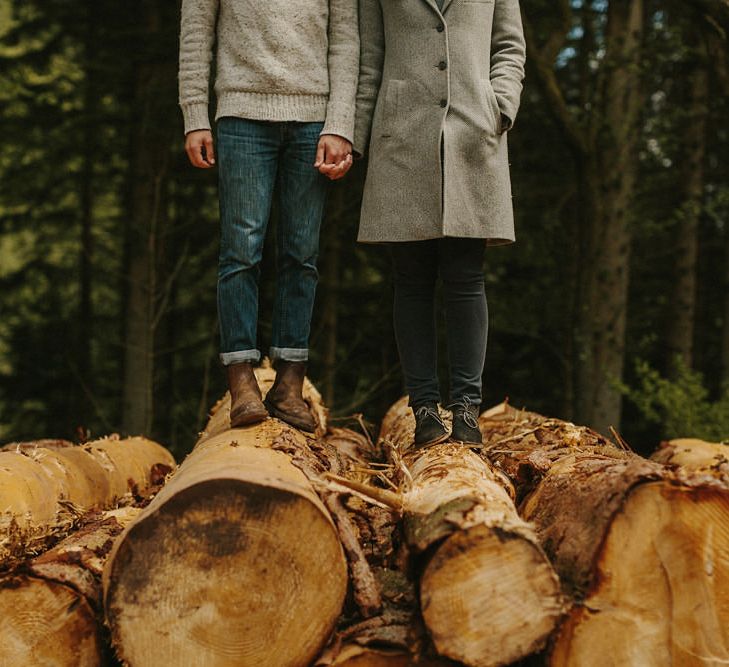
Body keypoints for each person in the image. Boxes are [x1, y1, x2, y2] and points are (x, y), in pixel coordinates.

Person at [179, 0, 359, 431]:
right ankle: (241, 382)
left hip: (314, 120)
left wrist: (340, 123)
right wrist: (194, 115)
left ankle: (289, 385)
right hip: (241, 116)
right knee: (241, 250)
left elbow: (347, 43)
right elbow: (195, 33)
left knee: (301, 253)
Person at [354, 0, 526, 447]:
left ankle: (467, 410)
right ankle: (425, 410)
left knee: (466, 276)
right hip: (401, 134)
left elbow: (509, 46)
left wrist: (501, 103)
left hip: (474, 131)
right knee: (410, 280)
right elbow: (369, 57)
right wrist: (354, 137)